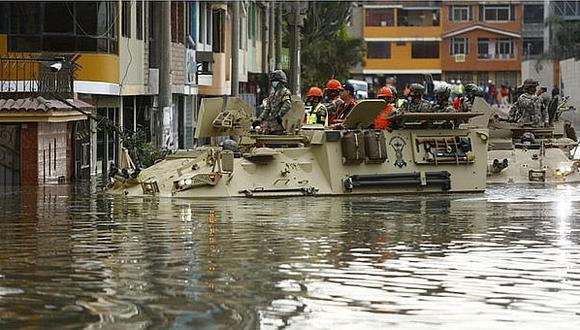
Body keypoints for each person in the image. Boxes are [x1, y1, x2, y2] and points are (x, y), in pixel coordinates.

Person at [254, 69, 292, 134]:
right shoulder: (272, 94)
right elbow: (267, 109)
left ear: (281, 82)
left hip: (280, 125)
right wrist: (259, 120)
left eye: (276, 81)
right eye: (273, 81)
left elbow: (287, 104)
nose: (274, 83)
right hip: (271, 125)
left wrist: (279, 116)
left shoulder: (285, 92)